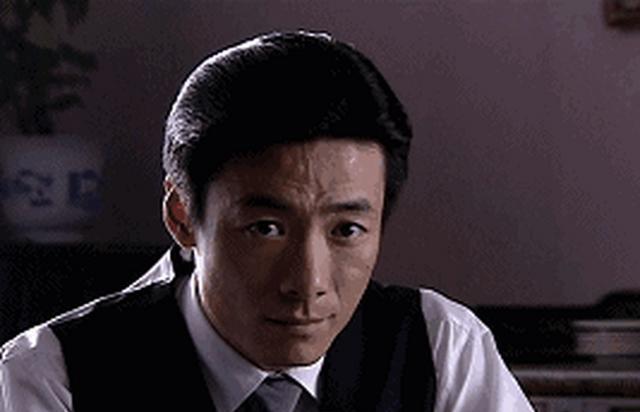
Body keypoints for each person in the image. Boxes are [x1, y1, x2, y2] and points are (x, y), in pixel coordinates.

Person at [0, 31, 533, 411]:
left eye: (346, 230)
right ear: (182, 217)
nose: (308, 283)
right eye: (266, 228)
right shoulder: (54, 378)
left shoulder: (440, 348)